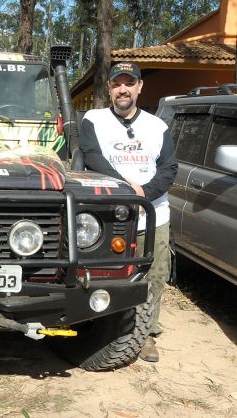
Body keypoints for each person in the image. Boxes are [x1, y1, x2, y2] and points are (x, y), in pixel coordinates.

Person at [79, 61, 177, 363]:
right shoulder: (93, 120)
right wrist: (124, 189)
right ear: (109, 89)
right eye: (117, 84)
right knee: (107, 272)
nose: (123, 89)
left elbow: (169, 167)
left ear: (139, 87)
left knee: (155, 274)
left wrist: (144, 193)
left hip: (153, 213)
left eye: (129, 83)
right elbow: (93, 158)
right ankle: (99, 326)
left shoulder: (157, 126)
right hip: (112, 214)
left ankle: (145, 333)